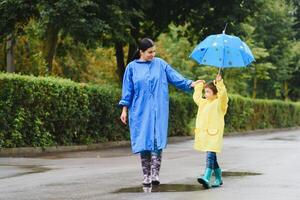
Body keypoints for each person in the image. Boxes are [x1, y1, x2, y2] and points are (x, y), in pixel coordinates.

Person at [119, 38, 199, 186]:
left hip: (159, 109)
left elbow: (175, 77)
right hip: (140, 110)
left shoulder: (160, 64)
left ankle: (155, 174)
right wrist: (124, 109)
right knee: (144, 141)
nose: (153, 54)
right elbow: (127, 91)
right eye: (150, 52)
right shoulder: (131, 68)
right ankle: (146, 176)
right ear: (141, 52)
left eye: (154, 51)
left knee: (157, 140)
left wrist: (190, 83)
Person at [193, 73, 229, 189]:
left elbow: (223, 96)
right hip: (205, 134)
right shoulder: (203, 103)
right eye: (205, 91)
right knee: (212, 157)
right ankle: (219, 178)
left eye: (208, 92)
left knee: (209, 155)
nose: (205, 94)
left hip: (215, 134)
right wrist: (199, 86)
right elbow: (197, 98)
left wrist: (219, 83)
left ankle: (206, 177)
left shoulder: (220, 104)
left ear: (215, 93)